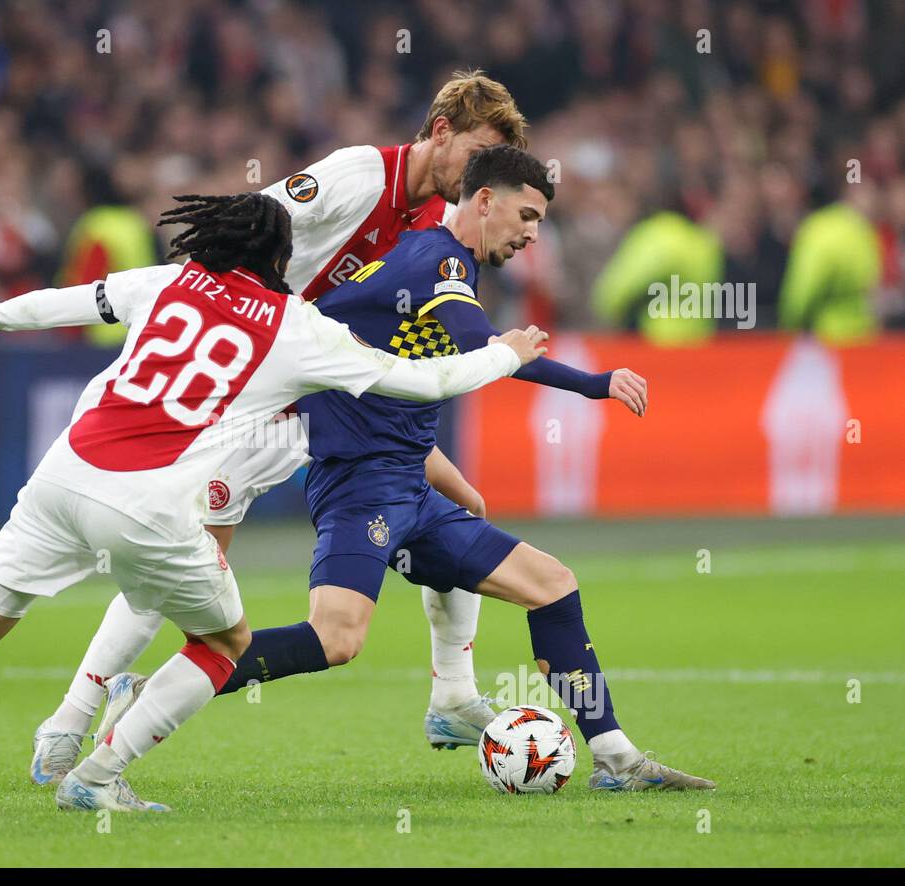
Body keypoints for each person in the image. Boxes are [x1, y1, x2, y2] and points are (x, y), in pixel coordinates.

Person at [0, 191, 550, 815]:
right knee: (226, 639)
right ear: (282, 257)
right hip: (148, 500)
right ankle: (99, 773)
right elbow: (423, 380)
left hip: (63, 472)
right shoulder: (295, 325)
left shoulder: (172, 280)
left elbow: (81, 299)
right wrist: (501, 353)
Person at [102, 147, 711, 793]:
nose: (532, 232)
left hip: (407, 481)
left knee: (553, 583)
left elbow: (391, 382)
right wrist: (596, 382)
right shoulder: (440, 261)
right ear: (484, 200)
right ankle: (147, 691)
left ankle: (609, 755)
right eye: (525, 214)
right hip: (361, 485)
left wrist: (440, 470)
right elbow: (486, 348)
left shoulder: (425, 259)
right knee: (336, 638)